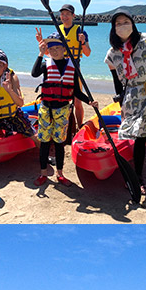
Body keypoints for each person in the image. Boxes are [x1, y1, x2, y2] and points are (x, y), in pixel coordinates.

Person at [104, 10, 146, 195]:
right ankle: (137, 177)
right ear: (113, 28)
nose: (122, 26)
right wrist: (121, 101)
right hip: (132, 93)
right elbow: (118, 81)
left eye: (126, 21)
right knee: (137, 135)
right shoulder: (113, 53)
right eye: (118, 23)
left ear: (132, 24)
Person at [31, 32, 97, 187]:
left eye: (57, 48)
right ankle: (43, 174)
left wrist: (89, 101)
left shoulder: (72, 66)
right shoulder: (46, 64)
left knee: (59, 143)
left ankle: (60, 174)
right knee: (45, 142)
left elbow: (76, 91)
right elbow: (34, 73)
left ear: (63, 49)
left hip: (62, 110)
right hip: (46, 108)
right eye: (51, 48)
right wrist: (40, 53)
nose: (54, 51)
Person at [0, 49, 37, 142]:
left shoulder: (12, 77)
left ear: (5, 66)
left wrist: (9, 90)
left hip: (13, 116)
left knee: (32, 135)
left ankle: (43, 153)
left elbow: (20, 103)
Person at [59, 4, 91, 129]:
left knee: (77, 100)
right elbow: (49, 53)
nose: (64, 16)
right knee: (62, 100)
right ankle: (63, 126)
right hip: (60, 68)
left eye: (67, 14)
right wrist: (41, 43)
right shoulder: (58, 30)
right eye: (62, 14)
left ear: (73, 16)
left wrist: (82, 42)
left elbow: (87, 53)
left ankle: (79, 126)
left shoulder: (80, 31)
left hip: (75, 68)